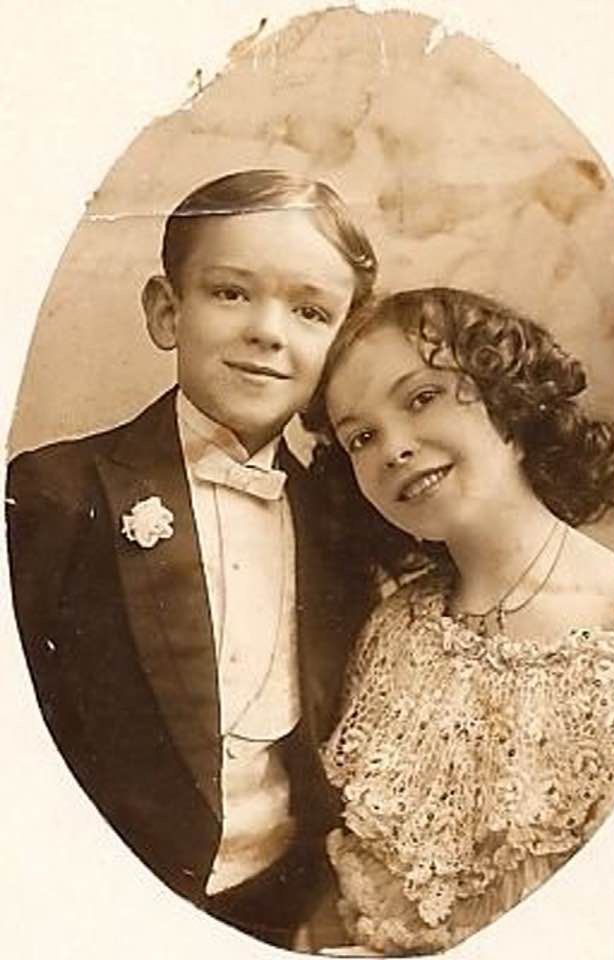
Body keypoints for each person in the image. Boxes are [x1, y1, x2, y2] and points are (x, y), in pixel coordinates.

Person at [6, 169, 378, 948]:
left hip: (275, 910)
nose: (268, 331)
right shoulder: (57, 492)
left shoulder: (341, 516)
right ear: (167, 310)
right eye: (231, 293)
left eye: (309, 311)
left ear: (340, 345)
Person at [302, 287, 614, 955]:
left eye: (420, 397)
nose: (393, 448)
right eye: (361, 437)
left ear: (509, 402)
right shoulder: (395, 629)